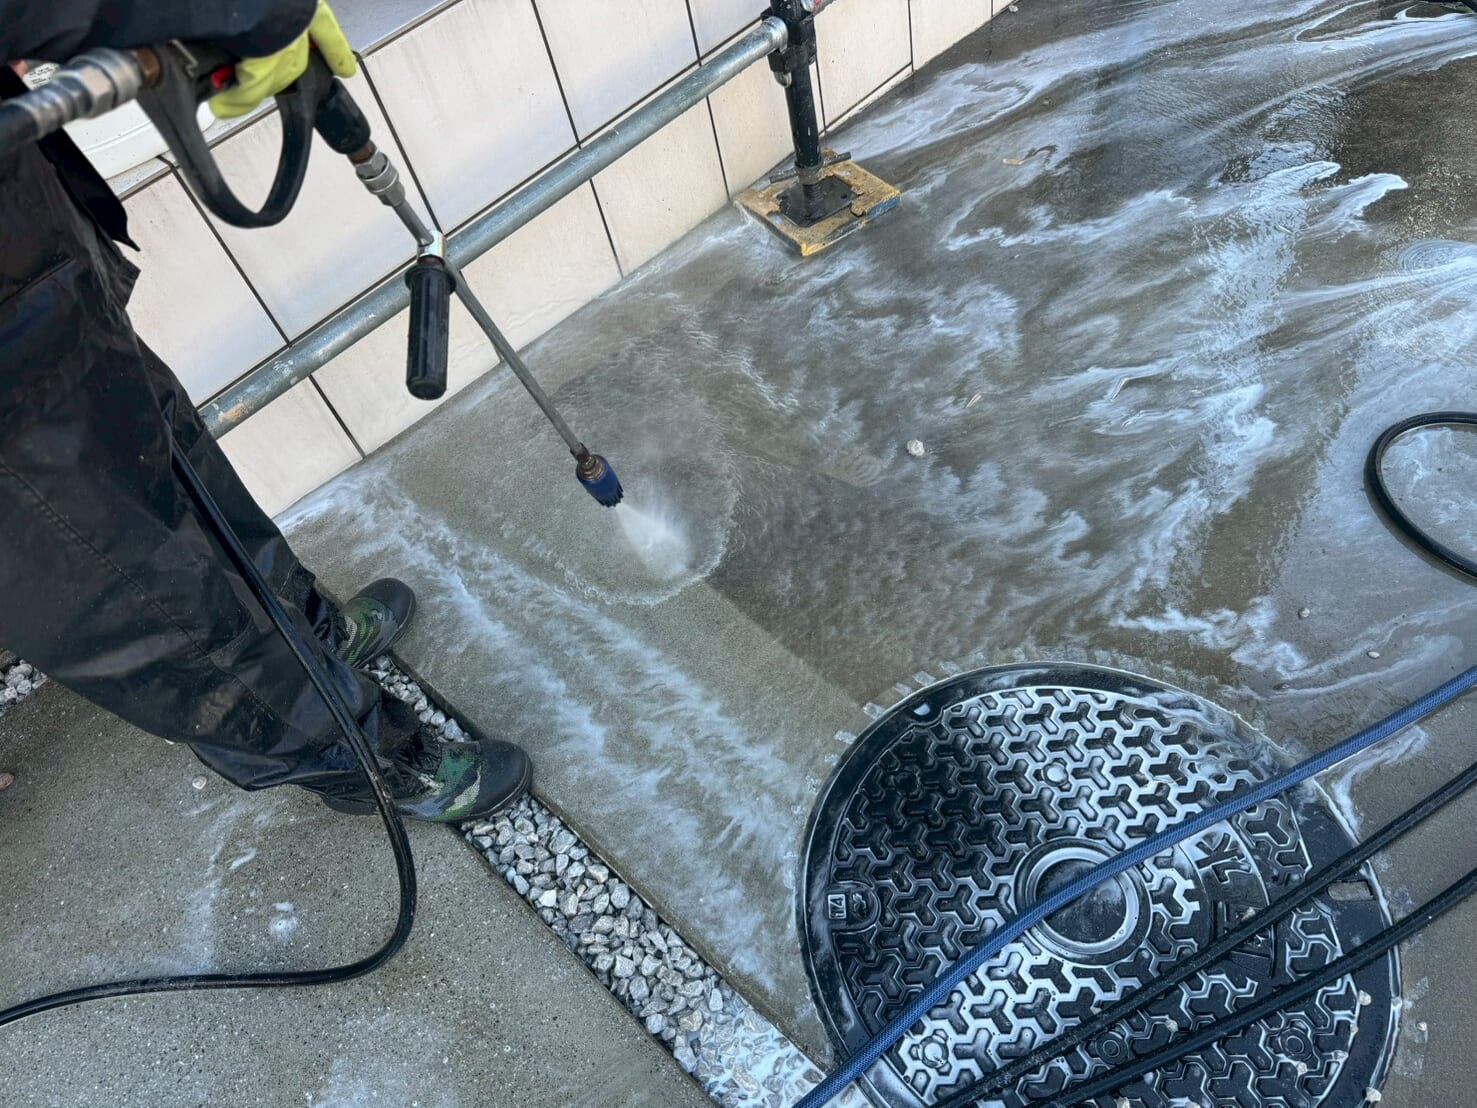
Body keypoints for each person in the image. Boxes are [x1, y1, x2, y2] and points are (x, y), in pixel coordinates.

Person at [0, 1, 531, 822]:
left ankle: (308, 636)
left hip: (27, 265)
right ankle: (364, 762)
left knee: (171, 460)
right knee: (131, 585)